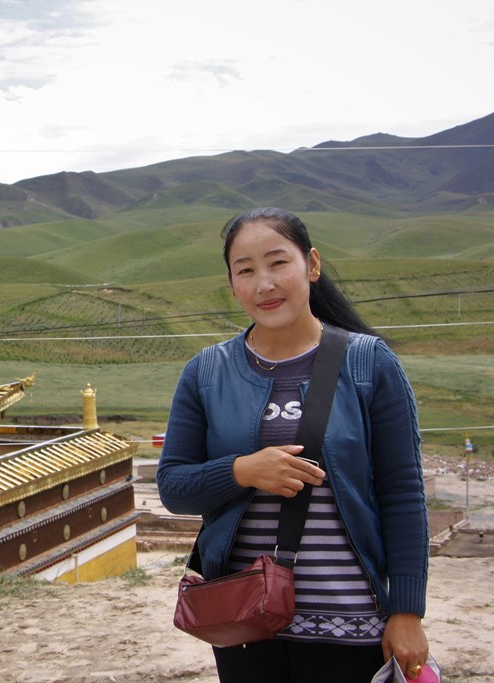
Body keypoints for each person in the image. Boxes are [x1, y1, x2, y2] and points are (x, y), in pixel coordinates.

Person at [156, 207, 430, 683]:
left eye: (278, 262)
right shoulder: (206, 372)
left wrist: (407, 611)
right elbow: (174, 487)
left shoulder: (369, 364)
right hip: (246, 621)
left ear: (312, 265)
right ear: (232, 283)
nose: (264, 283)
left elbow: (403, 495)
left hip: (352, 622)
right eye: (246, 270)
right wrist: (242, 471)